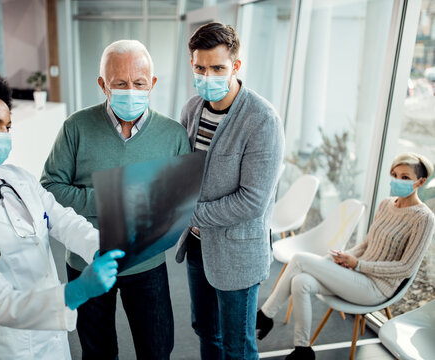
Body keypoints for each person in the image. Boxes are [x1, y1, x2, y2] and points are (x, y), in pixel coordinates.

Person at [0, 62, 124, 360]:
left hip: (50, 334)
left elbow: (61, 219)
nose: (4, 135)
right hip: (3, 343)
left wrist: (96, 245)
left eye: (7, 126)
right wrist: (75, 293)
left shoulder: (16, 178)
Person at [40, 39, 191, 359]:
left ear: (152, 83)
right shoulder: (75, 127)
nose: (131, 91)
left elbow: (179, 204)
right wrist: (115, 201)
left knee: (157, 350)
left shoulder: (173, 135)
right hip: (86, 263)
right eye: (120, 84)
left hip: (148, 264)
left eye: (139, 83)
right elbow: (49, 189)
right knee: (97, 353)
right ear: (102, 84)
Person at [174, 23, 285, 359]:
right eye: (200, 68)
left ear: (236, 66)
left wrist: (188, 214)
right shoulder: (192, 109)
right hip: (197, 246)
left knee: (238, 345)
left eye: (218, 68)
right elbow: (182, 171)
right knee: (206, 332)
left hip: (238, 253)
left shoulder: (262, 119)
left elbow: (252, 200)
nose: (208, 76)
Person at [257, 152, 435, 360]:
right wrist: (343, 258)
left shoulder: (424, 218)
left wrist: (358, 265)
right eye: (394, 174)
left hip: (377, 288)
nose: (397, 180)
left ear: (420, 182)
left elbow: (406, 268)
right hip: (357, 276)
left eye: (405, 177)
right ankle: (302, 350)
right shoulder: (386, 204)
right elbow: (367, 244)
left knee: (299, 259)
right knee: (301, 281)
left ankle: (265, 315)